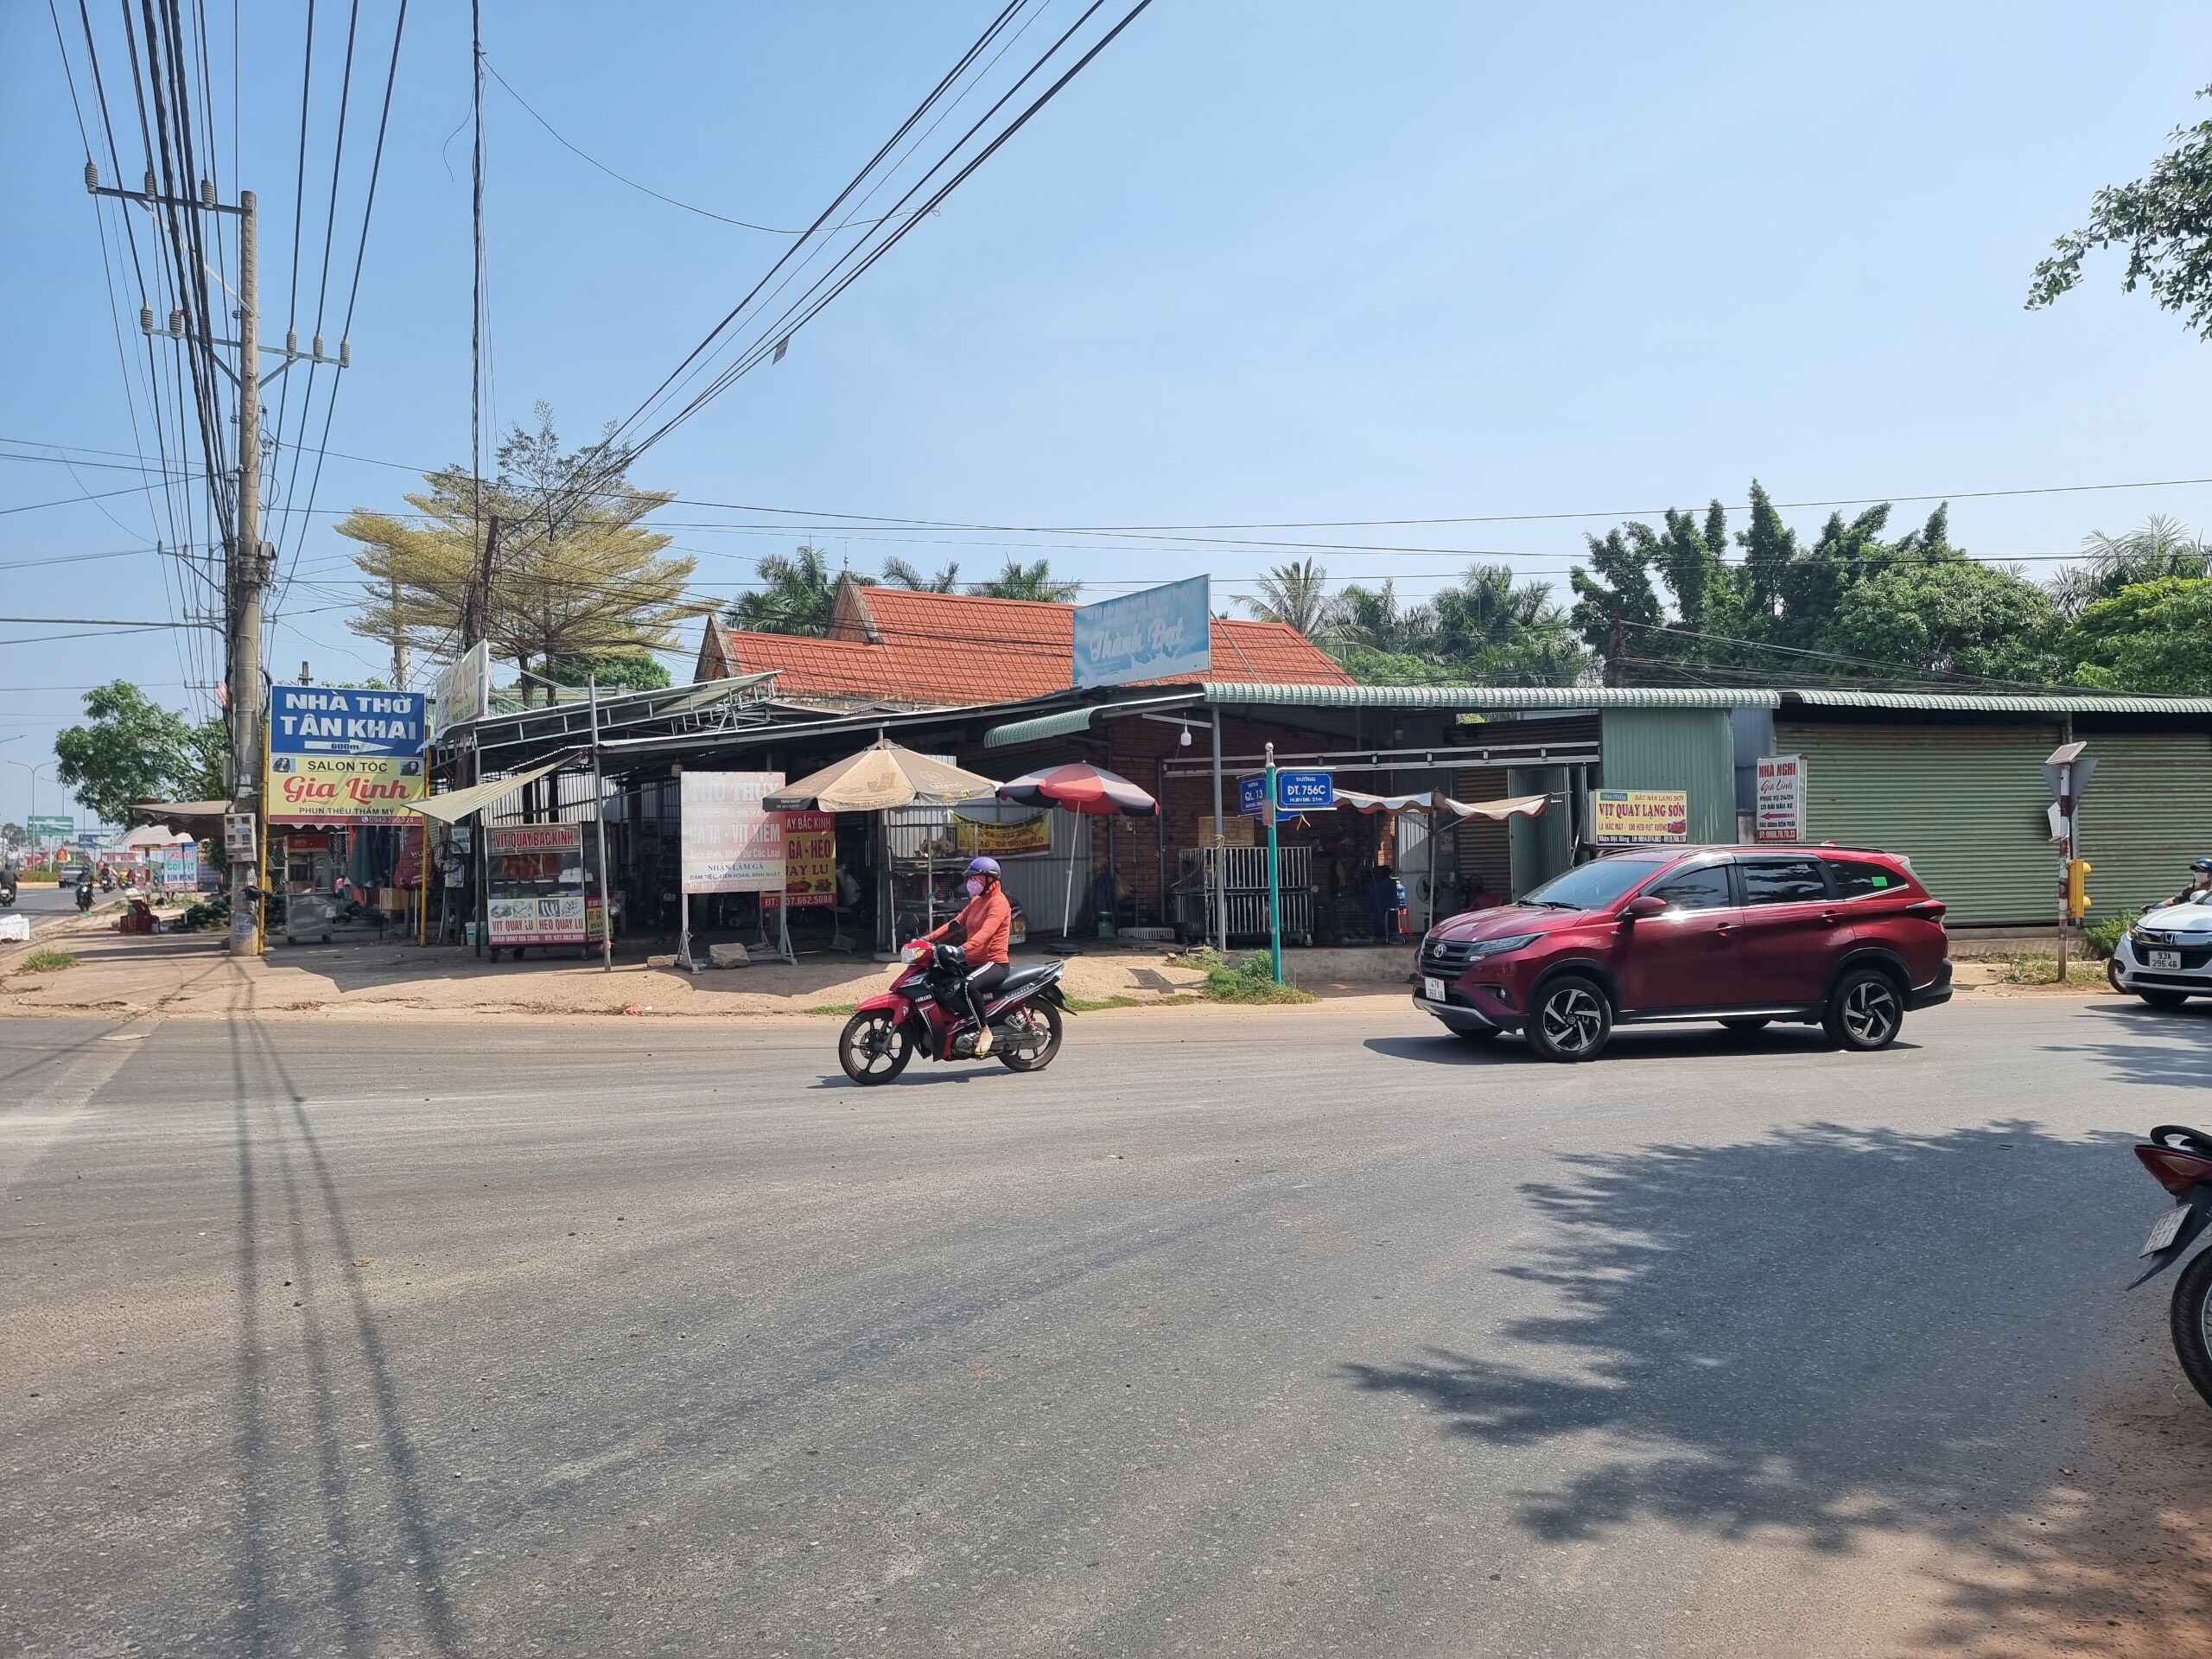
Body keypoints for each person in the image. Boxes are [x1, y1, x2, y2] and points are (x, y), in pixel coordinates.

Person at [919, 855, 1012, 1055]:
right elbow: (955, 924)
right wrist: (927, 939)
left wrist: (961, 950)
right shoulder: (977, 901)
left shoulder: (998, 903)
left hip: (994, 962)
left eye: (975, 878)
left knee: (969, 984)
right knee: (939, 974)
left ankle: (984, 1030)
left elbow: (986, 933)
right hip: (974, 960)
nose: (970, 882)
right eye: (969, 878)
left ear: (990, 879)